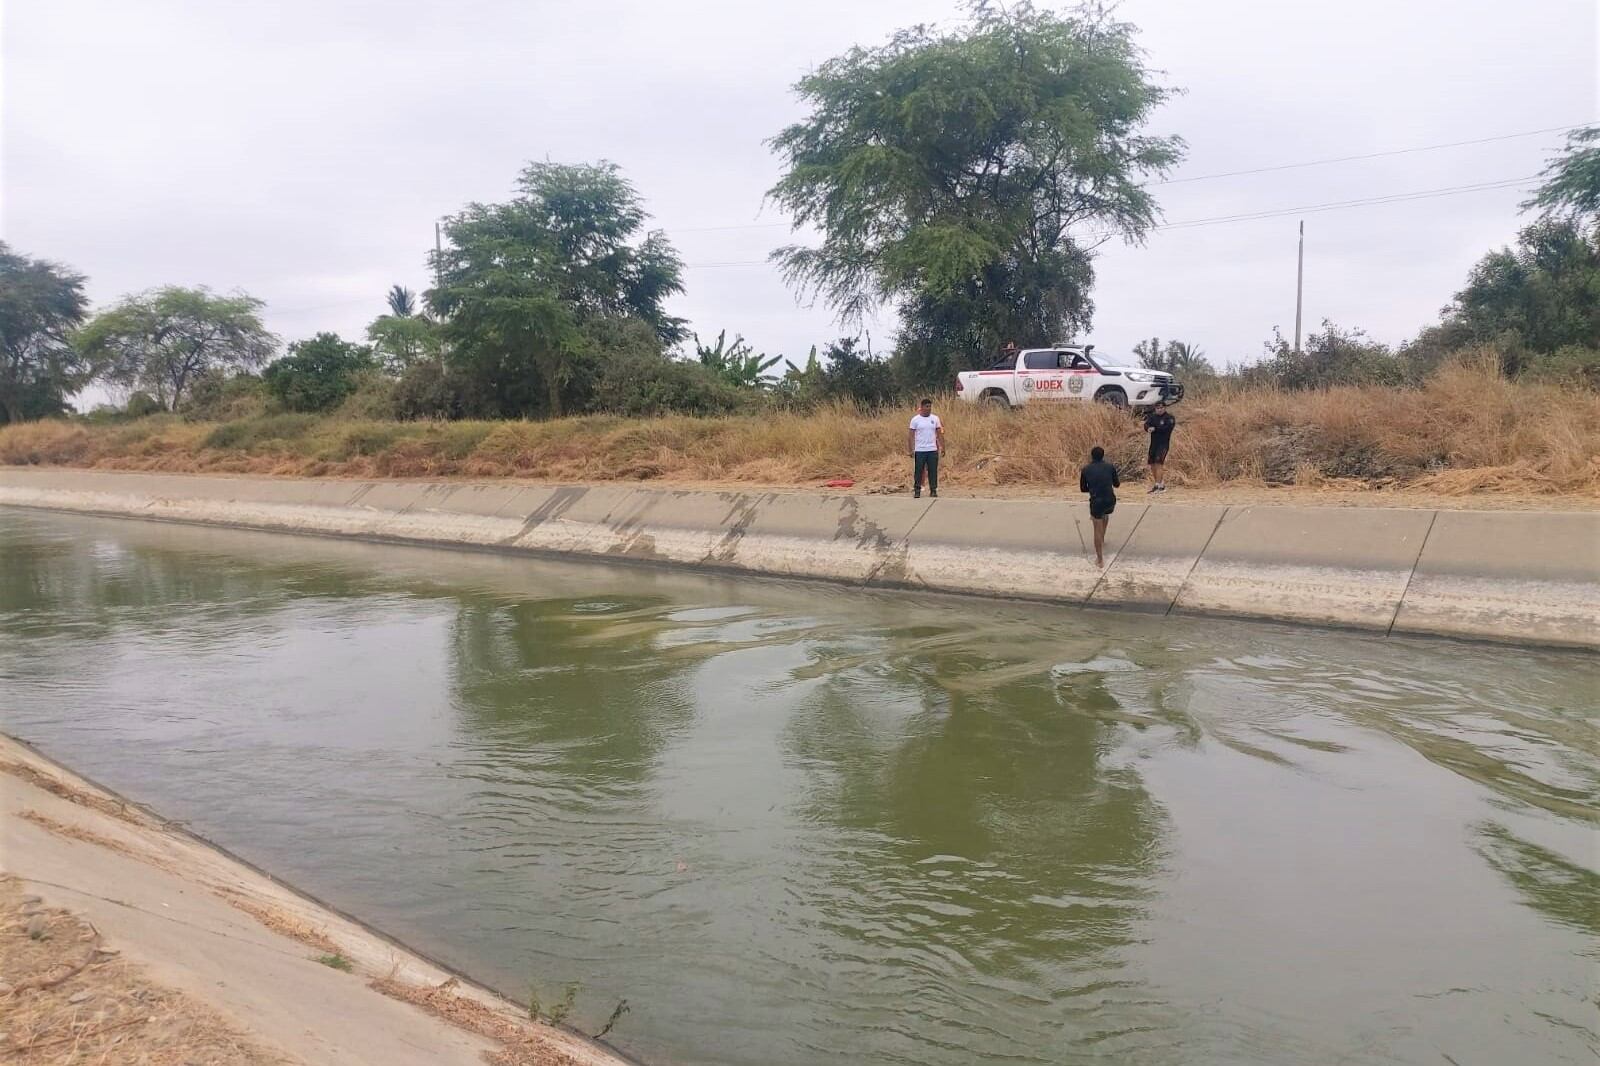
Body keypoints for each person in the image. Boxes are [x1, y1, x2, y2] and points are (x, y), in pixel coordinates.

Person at [1079, 445, 1120, 567]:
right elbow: (1117, 484)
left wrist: (1092, 488)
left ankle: (1100, 559)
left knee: (1096, 526)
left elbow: (1082, 489)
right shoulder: (1110, 467)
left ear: (1091, 456)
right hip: (1110, 499)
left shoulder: (1086, 469)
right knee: (1106, 515)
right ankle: (1102, 539)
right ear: (1103, 455)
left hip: (1096, 500)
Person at [908, 397, 944, 499]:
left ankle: (933, 490)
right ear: (922, 407)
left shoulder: (935, 418)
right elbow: (910, 435)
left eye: (930, 407)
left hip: (932, 450)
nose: (928, 408)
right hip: (920, 450)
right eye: (926, 406)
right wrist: (910, 449)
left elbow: (939, 434)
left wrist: (942, 447)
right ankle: (917, 490)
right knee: (918, 471)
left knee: (933, 471)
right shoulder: (915, 420)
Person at [1143, 402, 1176, 493]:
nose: (1160, 409)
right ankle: (1160, 483)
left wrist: (1155, 428)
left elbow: (1167, 428)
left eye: (1161, 408)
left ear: (1165, 408)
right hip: (1154, 444)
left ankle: (1158, 486)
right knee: (1152, 463)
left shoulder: (1169, 418)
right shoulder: (1152, 417)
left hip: (1163, 444)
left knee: (1159, 463)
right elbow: (1146, 424)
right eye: (1158, 408)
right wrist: (1148, 428)